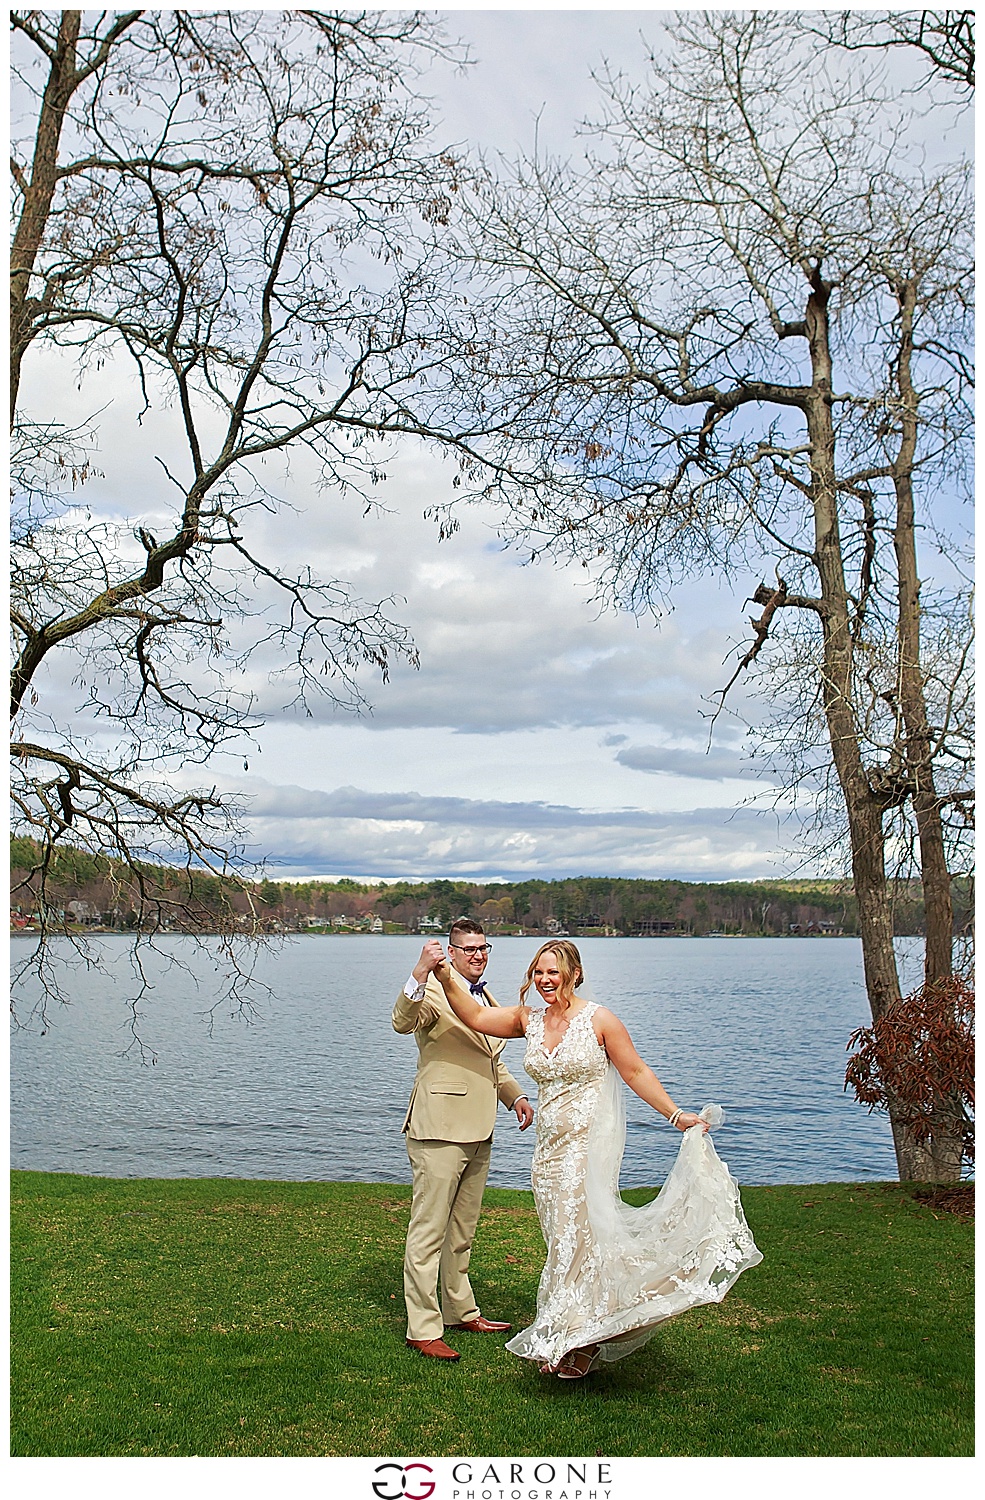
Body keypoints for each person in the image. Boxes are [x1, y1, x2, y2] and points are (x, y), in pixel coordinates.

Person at [434, 938, 763, 1379]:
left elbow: (635, 1071)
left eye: (553, 972)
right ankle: (583, 1331)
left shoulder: (599, 1019)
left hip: (587, 1148)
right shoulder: (527, 1020)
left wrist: (675, 1115)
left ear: (573, 974)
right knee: (565, 1241)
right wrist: (441, 974)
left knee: (575, 1241)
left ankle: (569, 1339)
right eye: (538, 972)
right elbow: (473, 1015)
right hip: (548, 1153)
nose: (545, 980)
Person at [393, 919, 535, 1362]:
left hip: (481, 1126)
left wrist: (516, 1097)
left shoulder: (487, 997)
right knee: (428, 1231)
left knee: (462, 1231)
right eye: (467, 948)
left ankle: (461, 1310)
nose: (477, 955)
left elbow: (490, 1060)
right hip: (438, 1127)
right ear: (450, 953)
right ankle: (423, 1327)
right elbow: (401, 1021)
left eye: (483, 947)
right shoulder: (433, 992)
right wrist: (418, 975)